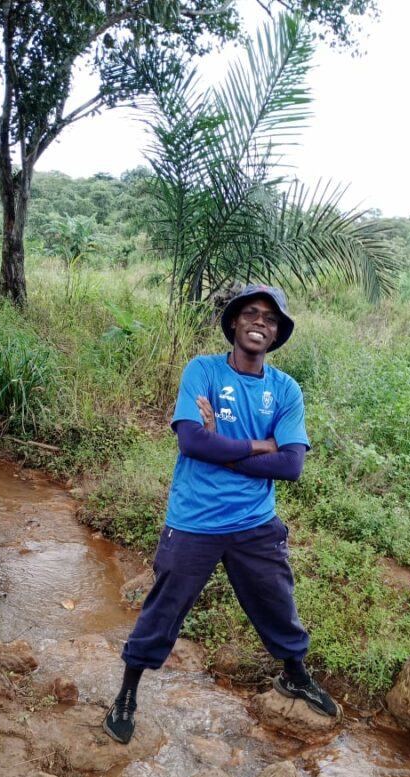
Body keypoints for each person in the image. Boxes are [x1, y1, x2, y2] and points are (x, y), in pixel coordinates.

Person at [102, 284, 340, 744]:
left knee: (278, 604)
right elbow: (191, 441)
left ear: (276, 334)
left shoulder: (285, 389)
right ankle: (127, 692)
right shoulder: (203, 371)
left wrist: (223, 452)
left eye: (270, 320)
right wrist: (256, 445)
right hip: (194, 520)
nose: (259, 323)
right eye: (251, 314)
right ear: (234, 322)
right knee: (163, 609)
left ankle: (294, 673)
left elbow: (291, 464)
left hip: (255, 522)